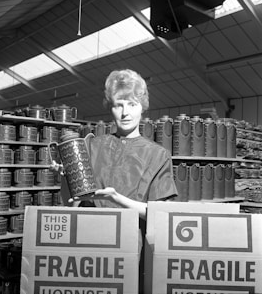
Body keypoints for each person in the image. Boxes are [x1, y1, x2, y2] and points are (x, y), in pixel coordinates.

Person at [50, 68, 178, 291]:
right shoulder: (91, 146)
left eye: (132, 104)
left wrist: (117, 198)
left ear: (143, 108)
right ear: (110, 107)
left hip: (132, 251)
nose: (125, 112)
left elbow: (161, 216)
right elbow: (71, 203)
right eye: (119, 105)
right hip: (89, 245)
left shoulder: (158, 155)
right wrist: (65, 180)